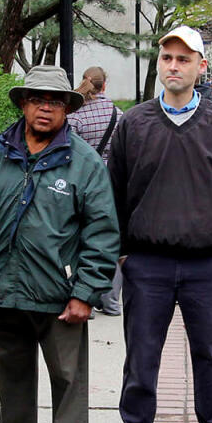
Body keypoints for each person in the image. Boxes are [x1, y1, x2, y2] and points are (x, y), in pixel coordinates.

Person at [106, 25, 212, 423]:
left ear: (200, 67)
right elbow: (114, 192)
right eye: (167, 58)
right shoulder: (134, 123)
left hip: (206, 266)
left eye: (184, 59)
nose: (174, 66)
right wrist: (125, 253)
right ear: (160, 64)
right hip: (146, 265)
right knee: (141, 358)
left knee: (210, 357)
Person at [0, 65, 120, 423]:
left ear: (67, 108)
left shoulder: (83, 161)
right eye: (36, 99)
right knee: (10, 374)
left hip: (60, 295)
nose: (45, 107)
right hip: (5, 289)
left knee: (68, 378)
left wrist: (86, 292)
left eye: (54, 101)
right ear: (22, 103)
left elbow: (102, 231)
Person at [69, 65, 122, 314]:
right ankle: (111, 301)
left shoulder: (75, 116)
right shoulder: (119, 115)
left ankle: (84, 297)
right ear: (105, 86)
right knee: (109, 239)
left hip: (81, 184)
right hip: (110, 184)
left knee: (81, 241)